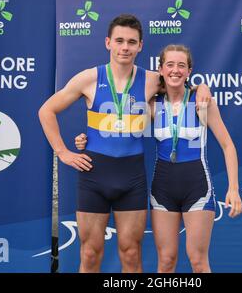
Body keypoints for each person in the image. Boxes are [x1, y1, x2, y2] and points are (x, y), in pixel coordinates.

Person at [38, 15, 211, 273]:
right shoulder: (89, 78)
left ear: (140, 46)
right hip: (94, 174)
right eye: (119, 41)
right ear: (108, 42)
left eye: (131, 42)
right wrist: (63, 152)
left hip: (131, 177)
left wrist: (202, 87)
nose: (125, 47)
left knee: (131, 253)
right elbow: (46, 111)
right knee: (90, 252)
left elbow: (181, 82)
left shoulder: (153, 80)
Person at [76, 44, 242, 273]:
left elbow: (228, 145)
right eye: (170, 65)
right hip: (162, 189)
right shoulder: (151, 105)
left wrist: (233, 189)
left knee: (198, 262)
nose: (175, 70)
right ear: (161, 70)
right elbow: (118, 128)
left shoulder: (202, 102)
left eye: (181, 66)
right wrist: (86, 140)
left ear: (189, 70)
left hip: (198, 187)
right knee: (165, 262)